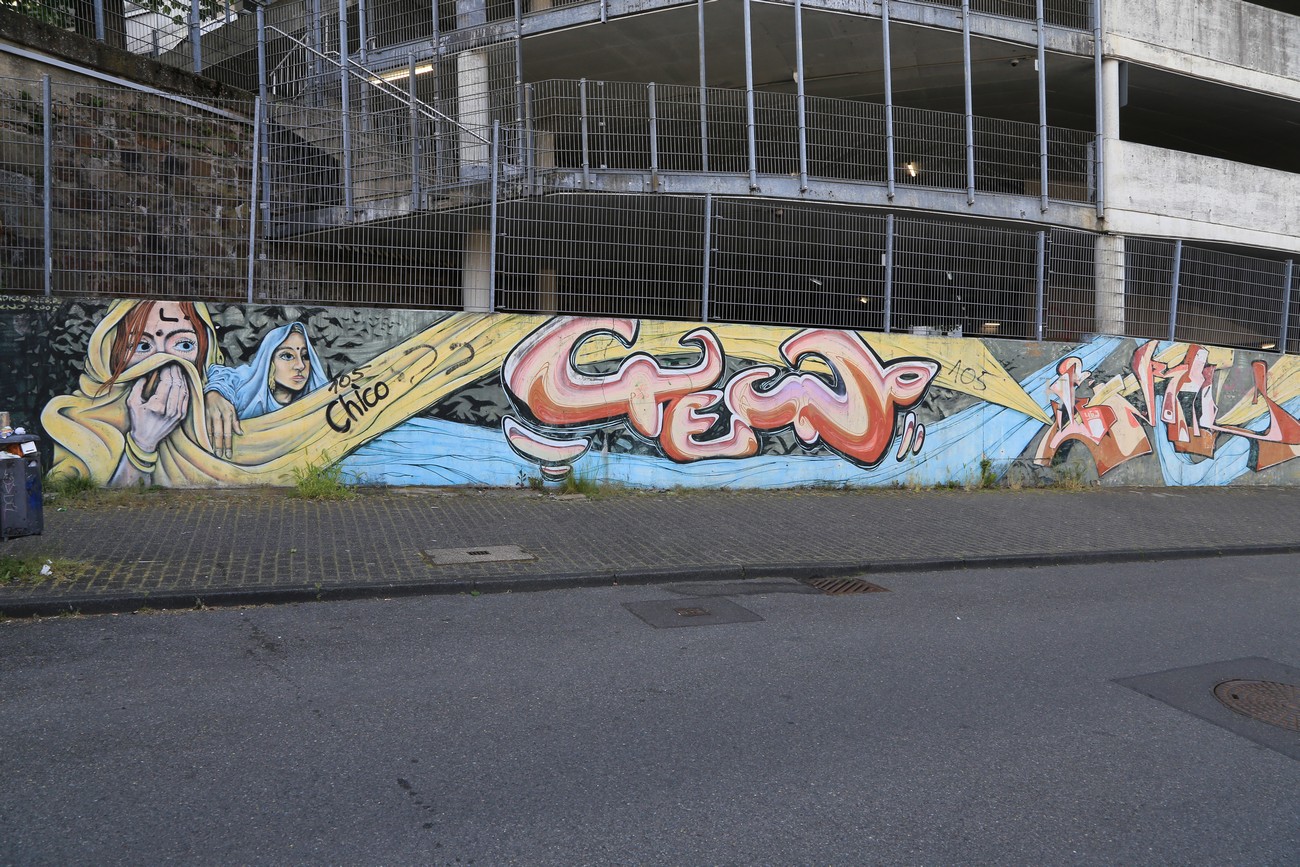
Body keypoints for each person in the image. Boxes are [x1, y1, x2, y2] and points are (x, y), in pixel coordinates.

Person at [43, 299, 236, 486]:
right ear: (110, 352)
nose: (162, 360)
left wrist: (216, 390)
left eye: (184, 345)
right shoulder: (70, 420)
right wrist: (143, 442)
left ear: (205, 350)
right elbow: (77, 489)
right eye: (142, 346)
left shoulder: (219, 411)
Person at [204, 323, 328, 436]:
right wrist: (214, 394)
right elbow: (221, 376)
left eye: (305, 356)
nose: (300, 365)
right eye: (287, 356)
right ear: (268, 360)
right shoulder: (247, 388)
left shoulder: (314, 405)